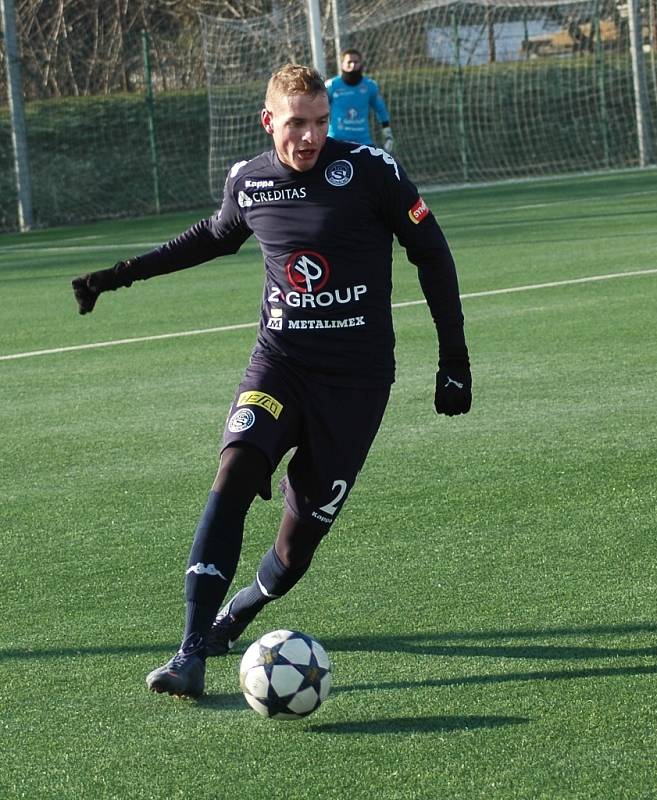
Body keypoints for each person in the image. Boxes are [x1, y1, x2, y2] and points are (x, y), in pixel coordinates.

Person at [71, 63, 472, 699]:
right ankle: (191, 651)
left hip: (356, 384)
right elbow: (208, 236)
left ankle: (242, 610)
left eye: (318, 122)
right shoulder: (251, 181)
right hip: (279, 365)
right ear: (269, 121)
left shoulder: (372, 172)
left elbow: (433, 254)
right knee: (232, 471)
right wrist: (116, 275)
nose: (309, 137)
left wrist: (454, 359)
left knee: (293, 551)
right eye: (295, 124)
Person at [326, 48, 394, 153]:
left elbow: (381, 110)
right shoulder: (332, 85)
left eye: (355, 62)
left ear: (361, 64)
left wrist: (388, 134)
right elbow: (319, 109)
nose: (352, 65)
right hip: (336, 140)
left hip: (362, 141)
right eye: (349, 62)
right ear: (342, 64)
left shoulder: (370, 86)